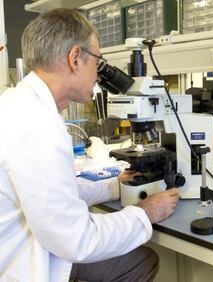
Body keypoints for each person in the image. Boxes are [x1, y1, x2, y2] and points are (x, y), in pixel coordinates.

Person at [0, 8, 179, 282]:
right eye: (97, 61)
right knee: (140, 261)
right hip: (26, 264)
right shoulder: (38, 127)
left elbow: (55, 195)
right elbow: (76, 240)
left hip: (28, 246)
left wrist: (112, 187)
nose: (99, 74)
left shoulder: (18, 105)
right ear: (74, 58)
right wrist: (145, 214)